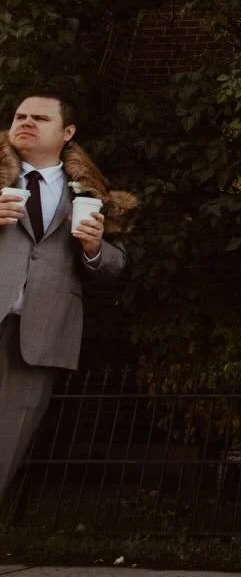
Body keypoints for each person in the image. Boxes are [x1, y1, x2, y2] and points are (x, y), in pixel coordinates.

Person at [0, 93, 133, 497]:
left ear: (67, 132)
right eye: (21, 116)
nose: (26, 122)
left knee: (6, 448)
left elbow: (116, 265)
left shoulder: (92, 194)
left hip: (39, 339)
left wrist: (93, 247)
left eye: (40, 118)